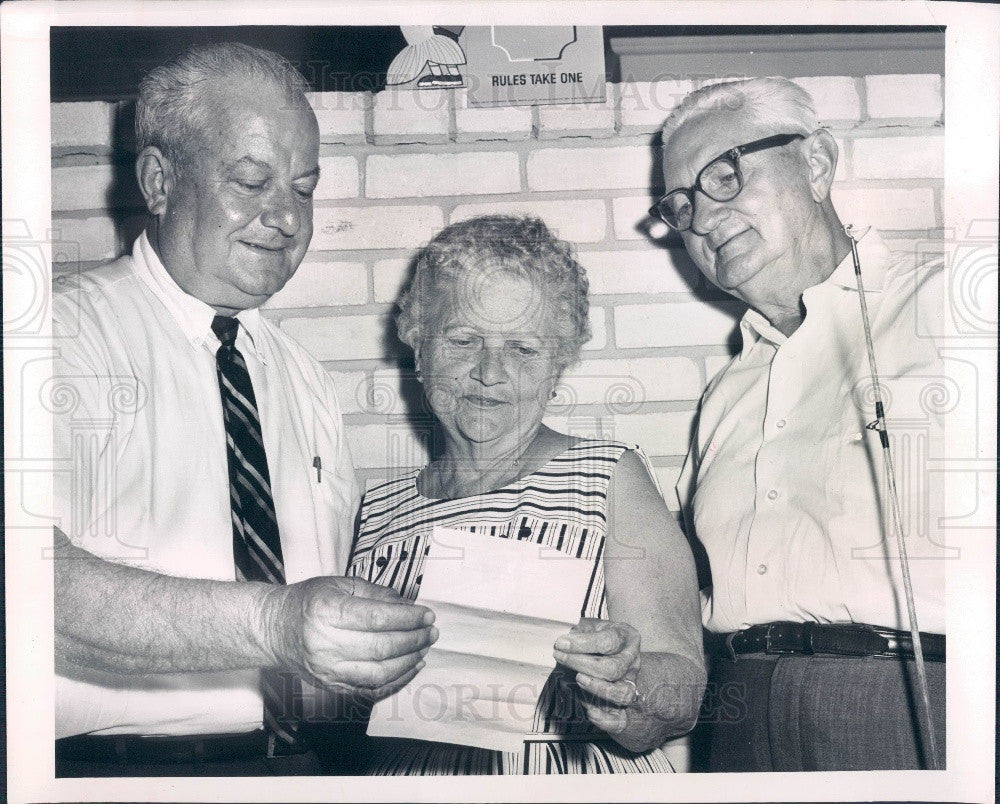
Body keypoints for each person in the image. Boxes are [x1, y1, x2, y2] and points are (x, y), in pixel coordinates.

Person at [52, 42, 437, 777]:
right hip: (123, 777)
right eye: (252, 181)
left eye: (304, 187)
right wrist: (276, 624)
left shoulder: (304, 378)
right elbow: (29, 584)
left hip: (315, 769)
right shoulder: (53, 339)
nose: (286, 218)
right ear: (160, 180)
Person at [653, 77, 947, 771]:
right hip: (740, 716)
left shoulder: (957, 305)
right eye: (682, 203)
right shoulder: (725, 395)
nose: (701, 217)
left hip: (908, 701)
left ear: (816, 164)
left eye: (725, 174)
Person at [342, 215, 706, 775]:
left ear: (558, 364)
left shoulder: (608, 477)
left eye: (524, 349)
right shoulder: (378, 511)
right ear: (418, 348)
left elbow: (682, 683)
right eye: (463, 341)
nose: (491, 371)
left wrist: (626, 687)